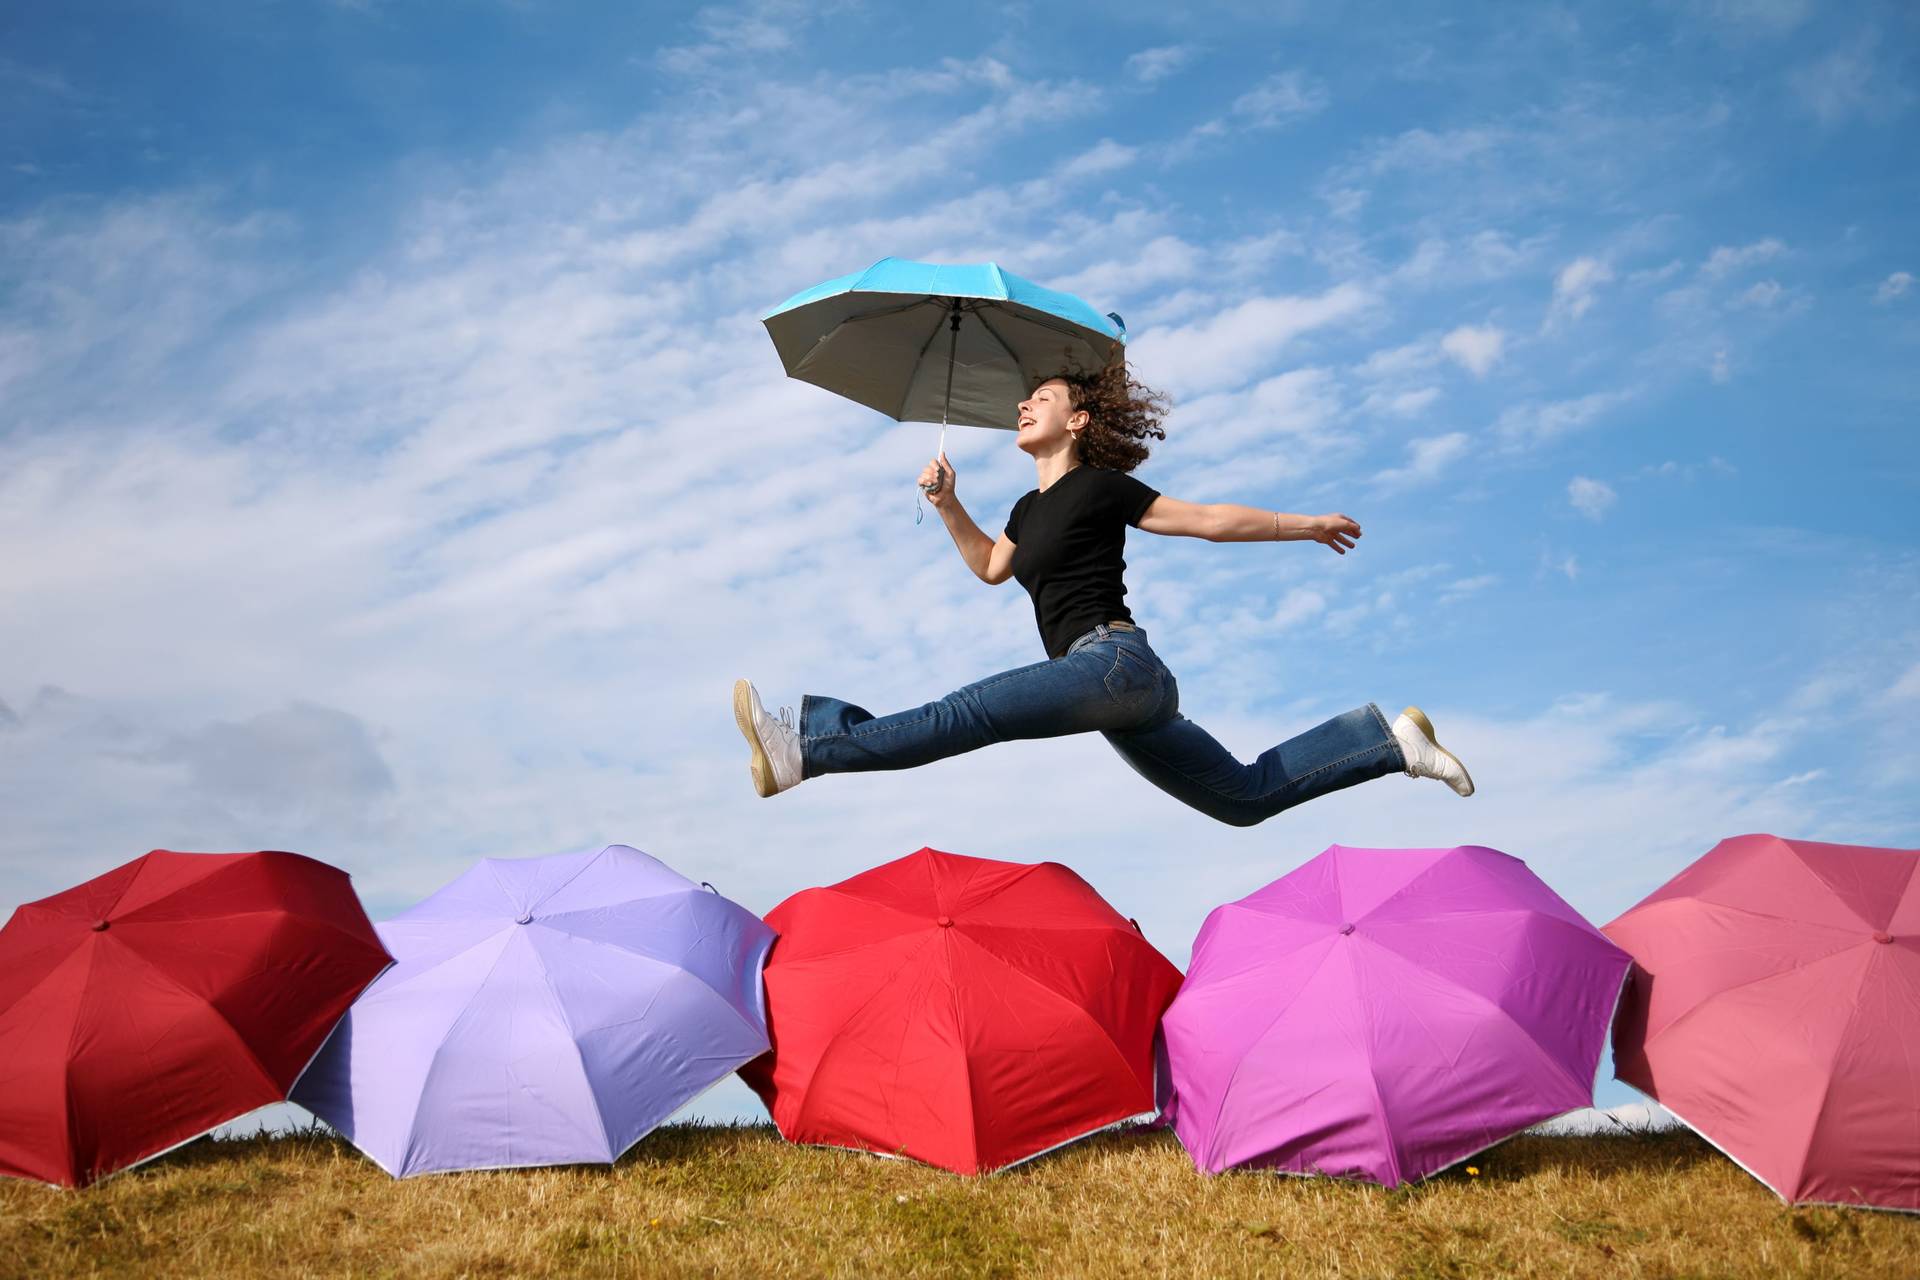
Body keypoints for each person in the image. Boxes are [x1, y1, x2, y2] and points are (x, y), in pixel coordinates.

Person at [732, 365, 1473, 825]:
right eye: (1024, 399)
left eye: (1041, 398)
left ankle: (809, 742)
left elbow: (1208, 522)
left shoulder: (1100, 486)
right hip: (1121, 693)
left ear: (1077, 419)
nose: (1025, 406)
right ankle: (1385, 742)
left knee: (963, 714)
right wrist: (948, 505)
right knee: (1242, 799)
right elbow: (993, 568)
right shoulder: (1027, 510)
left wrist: (1303, 525)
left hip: (1113, 664)